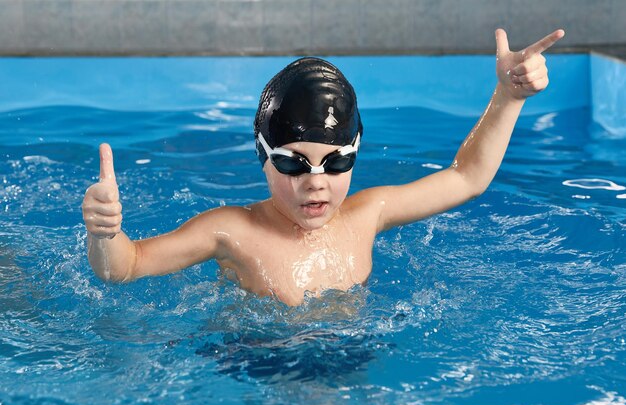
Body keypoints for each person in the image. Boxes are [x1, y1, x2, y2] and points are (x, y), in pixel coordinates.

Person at [82, 29, 565, 306]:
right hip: (257, 359)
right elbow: (126, 268)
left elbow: (467, 177)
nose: (316, 182)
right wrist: (105, 234)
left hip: (350, 353)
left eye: (337, 162)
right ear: (263, 159)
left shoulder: (366, 214)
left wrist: (508, 97)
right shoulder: (231, 231)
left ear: (356, 151)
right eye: (294, 162)